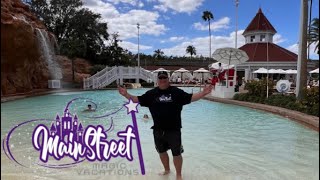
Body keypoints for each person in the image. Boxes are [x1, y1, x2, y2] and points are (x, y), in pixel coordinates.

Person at [118, 71, 213, 180]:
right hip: (158, 130)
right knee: (161, 152)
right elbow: (136, 100)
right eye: (160, 78)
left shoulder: (176, 92)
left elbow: (190, 98)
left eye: (164, 78)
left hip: (174, 130)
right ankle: (167, 170)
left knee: (176, 153)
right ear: (157, 80)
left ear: (168, 79)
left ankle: (178, 175)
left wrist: (203, 93)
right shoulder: (151, 94)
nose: (162, 80)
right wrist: (126, 94)